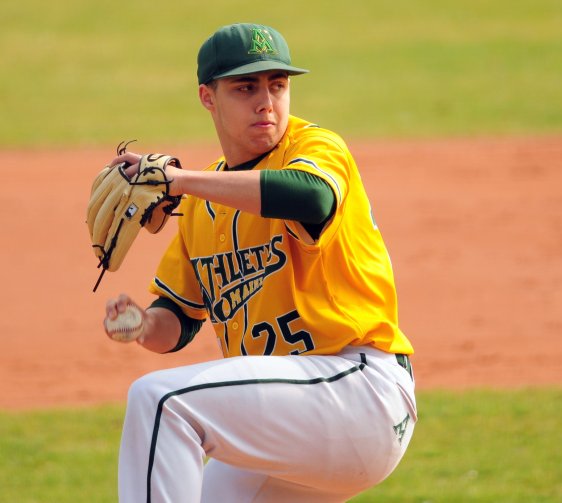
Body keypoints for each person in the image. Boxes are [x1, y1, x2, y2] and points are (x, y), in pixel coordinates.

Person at [104, 22, 417, 503]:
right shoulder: (205, 199)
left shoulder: (314, 148)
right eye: (245, 87)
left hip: (359, 391)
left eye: (278, 85)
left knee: (161, 402)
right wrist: (141, 325)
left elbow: (311, 198)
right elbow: (179, 321)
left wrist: (180, 181)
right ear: (208, 98)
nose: (266, 101)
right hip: (291, 421)